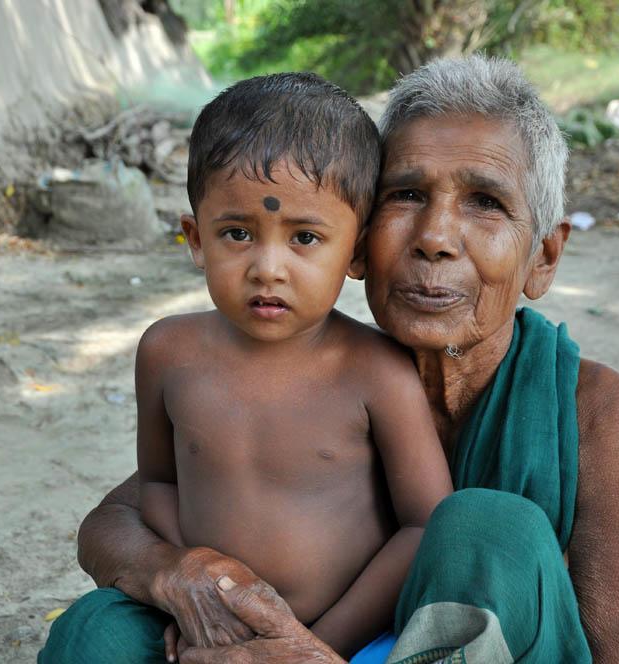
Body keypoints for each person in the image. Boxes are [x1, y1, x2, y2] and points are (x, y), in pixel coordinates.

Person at [41, 56, 619, 663]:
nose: (433, 238)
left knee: (487, 526)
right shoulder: (277, 367)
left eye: (485, 202)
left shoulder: (596, 413)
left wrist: (313, 652)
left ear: (542, 257)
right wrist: (181, 577)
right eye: (405, 195)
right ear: (363, 233)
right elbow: (130, 510)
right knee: (98, 630)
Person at [40, 72, 453, 662]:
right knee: (87, 639)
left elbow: (424, 528)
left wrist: (310, 648)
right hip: (198, 627)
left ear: (358, 251)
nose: (267, 267)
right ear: (195, 239)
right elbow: (157, 484)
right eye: (237, 233)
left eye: (305, 238)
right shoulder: (166, 352)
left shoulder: (376, 372)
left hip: (346, 640)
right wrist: (195, 590)